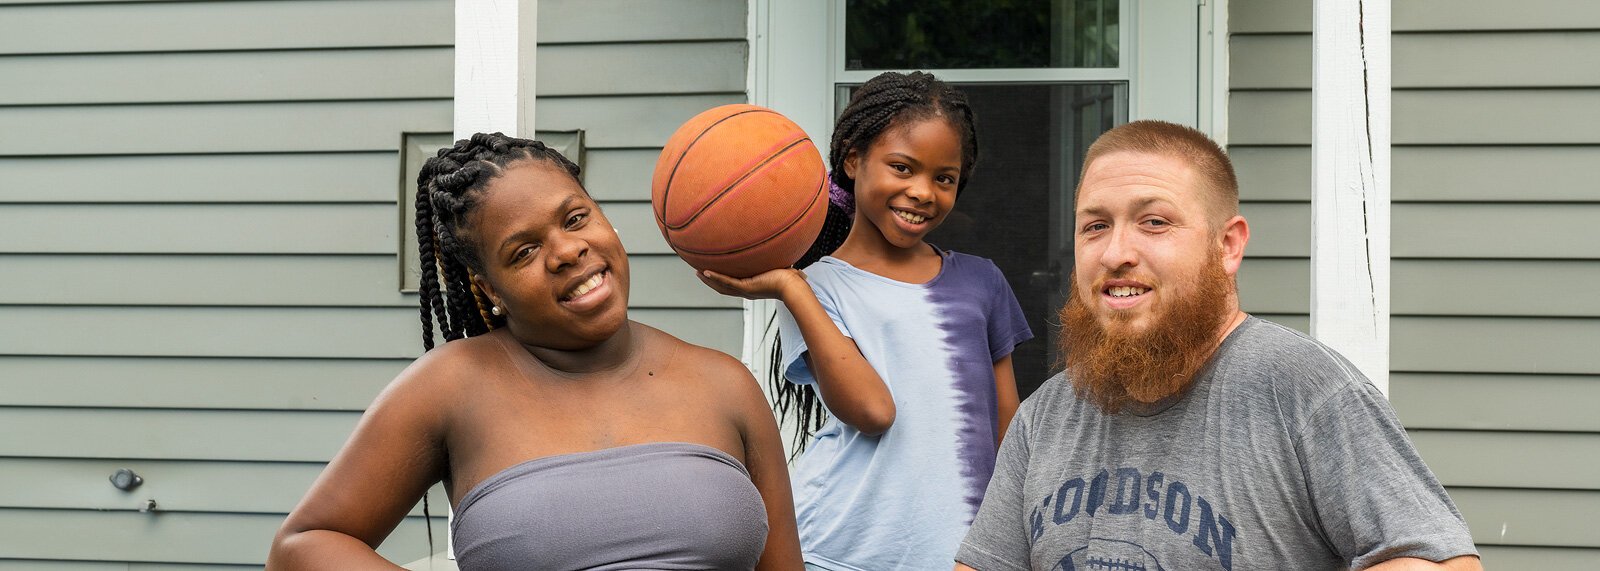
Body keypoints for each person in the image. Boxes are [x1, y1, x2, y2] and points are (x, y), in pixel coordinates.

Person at [955, 121, 1481, 571]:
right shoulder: (1046, 414)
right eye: (1096, 226)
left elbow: (1438, 560)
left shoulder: (1299, 386)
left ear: (1227, 245)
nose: (1116, 253)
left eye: (1154, 222)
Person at [266, 133, 804, 570]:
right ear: (489, 289)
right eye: (524, 251)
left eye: (575, 219)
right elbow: (304, 545)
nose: (568, 251)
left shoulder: (725, 382)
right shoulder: (452, 387)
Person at [699, 71, 1034, 571]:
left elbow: (1009, 433)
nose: (923, 192)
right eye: (902, 167)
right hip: (842, 551)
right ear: (854, 160)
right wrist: (791, 287)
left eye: (944, 178)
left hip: (964, 553)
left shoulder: (982, 282)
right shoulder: (815, 289)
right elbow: (872, 410)